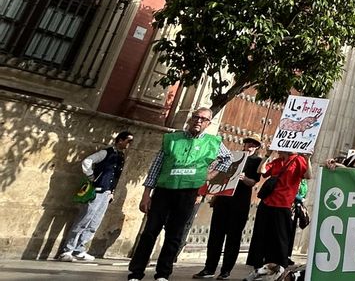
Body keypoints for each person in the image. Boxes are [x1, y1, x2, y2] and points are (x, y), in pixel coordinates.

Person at [128, 108, 232, 281]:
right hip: (164, 191)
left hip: (187, 193)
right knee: (150, 231)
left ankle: (163, 274)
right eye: (197, 117)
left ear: (208, 123)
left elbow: (227, 158)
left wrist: (210, 175)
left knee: (174, 235)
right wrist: (146, 194)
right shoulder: (172, 139)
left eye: (204, 119)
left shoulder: (213, 142)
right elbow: (156, 166)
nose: (199, 121)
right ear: (191, 119)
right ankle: (136, 272)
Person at [58, 131, 134, 262]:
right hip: (97, 191)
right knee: (84, 219)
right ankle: (67, 250)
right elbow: (87, 161)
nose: (129, 144)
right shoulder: (106, 153)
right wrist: (91, 177)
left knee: (94, 222)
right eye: (128, 141)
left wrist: (111, 192)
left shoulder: (121, 156)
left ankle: (80, 249)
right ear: (120, 140)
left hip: (106, 193)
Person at [193, 138, 262, 280]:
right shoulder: (232, 157)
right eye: (249, 143)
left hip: (240, 203)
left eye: (254, 144)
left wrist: (243, 178)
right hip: (223, 201)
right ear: (245, 144)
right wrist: (214, 195)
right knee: (215, 236)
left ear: (257, 147)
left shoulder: (256, 162)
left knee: (233, 238)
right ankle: (209, 268)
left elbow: (253, 182)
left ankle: (226, 271)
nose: (251, 146)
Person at [245, 151, 309, 273]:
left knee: (280, 237)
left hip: (283, 204)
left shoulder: (298, 160)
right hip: (267, 203)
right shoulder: (277, 162)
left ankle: (279, 267)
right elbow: (261, 171)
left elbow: (308, 175)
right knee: (261, 235)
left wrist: (308, 159)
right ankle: (259, 265)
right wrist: (267, 156)